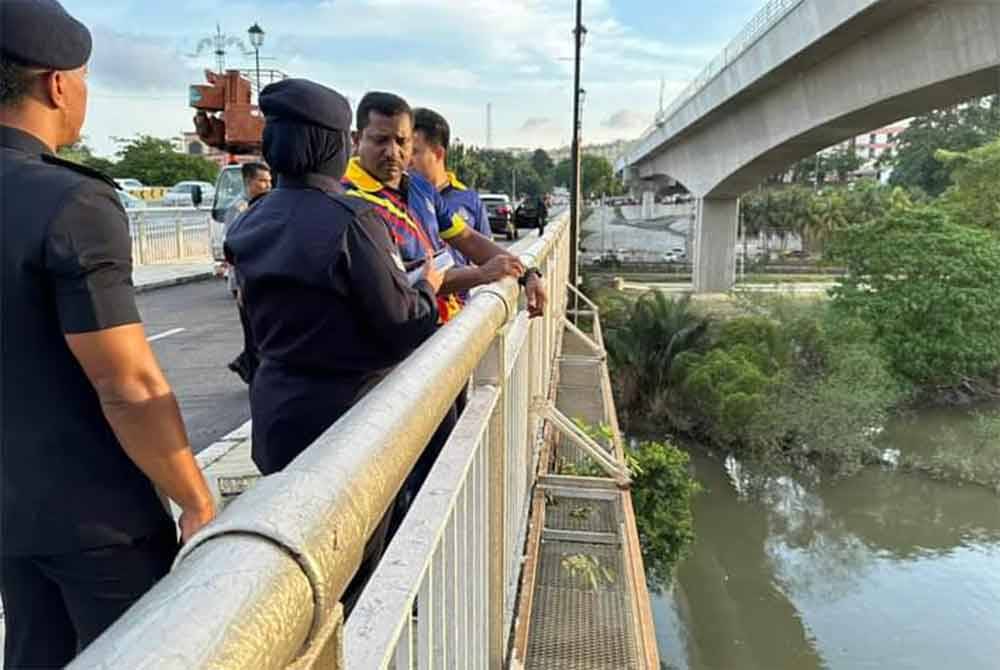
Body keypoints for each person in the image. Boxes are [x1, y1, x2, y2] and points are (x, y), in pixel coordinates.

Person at [0, 2, 216, 666]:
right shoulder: (71, 203)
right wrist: (197, 498)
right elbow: (127, 384)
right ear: (57, 83)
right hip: (101, 523)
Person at [344, 92, 547, 321]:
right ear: (356, 139)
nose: (393, 152)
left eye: (402, 142)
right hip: (399, 345)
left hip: (443, 327)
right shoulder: (346, 199)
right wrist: (481, 274)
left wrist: (527, 273)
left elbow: (467, 238)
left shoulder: (419, 187)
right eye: (380, 140)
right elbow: (402, 283)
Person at [410, 107, 492, 272]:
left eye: (414, 152)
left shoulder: (469, 199)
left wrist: (526, 273)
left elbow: (486, 254)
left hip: (460, 295)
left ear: (438, 154)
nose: (405, 159)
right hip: (419, 293)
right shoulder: (396, 198)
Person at [225, 162, 272, 384]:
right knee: (252, 335)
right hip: (245, 282)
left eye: (269, 181)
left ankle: (247, 365)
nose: (267, 186)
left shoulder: (264, 205)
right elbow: (235, 251)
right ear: (248, 182)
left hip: (259, 281)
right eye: (262, 181)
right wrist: (239, 286)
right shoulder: (239, 209)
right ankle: (252, 372)